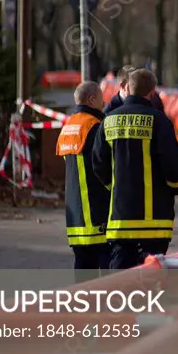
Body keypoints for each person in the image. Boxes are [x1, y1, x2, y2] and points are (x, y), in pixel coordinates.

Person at [92, 69, 178, 269]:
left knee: (120, 277)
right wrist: (174, 188)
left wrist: (114, 187)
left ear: (127, 88)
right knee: (153, 276)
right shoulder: (160, 121)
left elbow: (98, 163)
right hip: (156, 220)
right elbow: (174, 166)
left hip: (121, 218)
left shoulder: (108, 120)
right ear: (152, 93)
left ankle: (121, 301)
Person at [57, 81, 111, 271]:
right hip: (96, 212)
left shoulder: (68, 127)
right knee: (106, 268)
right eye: (101, 99)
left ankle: (81, 301)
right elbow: (103, 164)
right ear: (91, 99)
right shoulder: (94, 126)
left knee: (82, 268)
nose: (104, 103)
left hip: (75, 217)